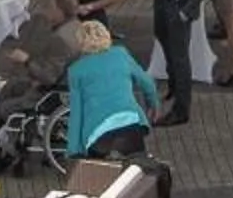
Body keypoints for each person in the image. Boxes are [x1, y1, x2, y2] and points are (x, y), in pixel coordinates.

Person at [62, 18, 163, 164]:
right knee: (138, 168)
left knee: (102, 173)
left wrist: (73, 151)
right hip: (130, 125)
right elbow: (147, 82)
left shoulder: (76, 71)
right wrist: (153, 104)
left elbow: (76, 114)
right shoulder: (120, 54)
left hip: (98, 134)